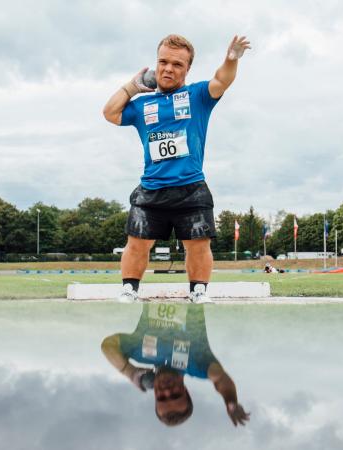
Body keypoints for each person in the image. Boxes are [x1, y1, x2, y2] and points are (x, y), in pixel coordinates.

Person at [103, 34, 251, 304]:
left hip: (191, 188)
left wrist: (231, 59)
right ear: (156, 64)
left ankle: (198, 291)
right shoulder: (142, 105)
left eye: (177, 64)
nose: (168, 68)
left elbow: (222, 80)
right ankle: (129, 290)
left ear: (187, 69)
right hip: (151, 189)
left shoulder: (197, 96)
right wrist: (131, 87)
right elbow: (110, 113)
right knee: (136, 242)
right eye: (163, 62)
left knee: (198, 243)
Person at [101, 304, 250, 427]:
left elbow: (108, 345)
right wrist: (231, 402)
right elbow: (220, 379)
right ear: (186, 391)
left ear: (154, 394)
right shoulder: (197, 364)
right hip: (191, 282)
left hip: (157, 284)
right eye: (175, 395)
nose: (166, 391)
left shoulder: (142, 353)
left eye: (161, 398)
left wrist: (130, 372)